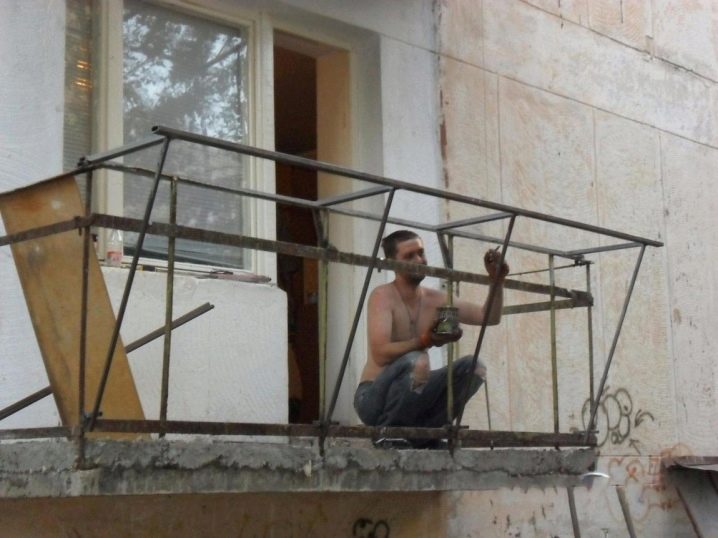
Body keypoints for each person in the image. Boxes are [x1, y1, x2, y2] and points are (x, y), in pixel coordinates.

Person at [354, 229, 509, 434]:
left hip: (413, 399)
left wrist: (497, 281)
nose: (419, 260)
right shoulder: (382, 296)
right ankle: (388, 435)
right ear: (392, 263)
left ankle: (428, 433)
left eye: (421, 253)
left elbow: (488, 317)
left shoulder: (437, 299)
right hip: (373, 399)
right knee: (417, 360)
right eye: (409, 256)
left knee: (474, 367)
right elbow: (380, 355)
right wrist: (426, 340)